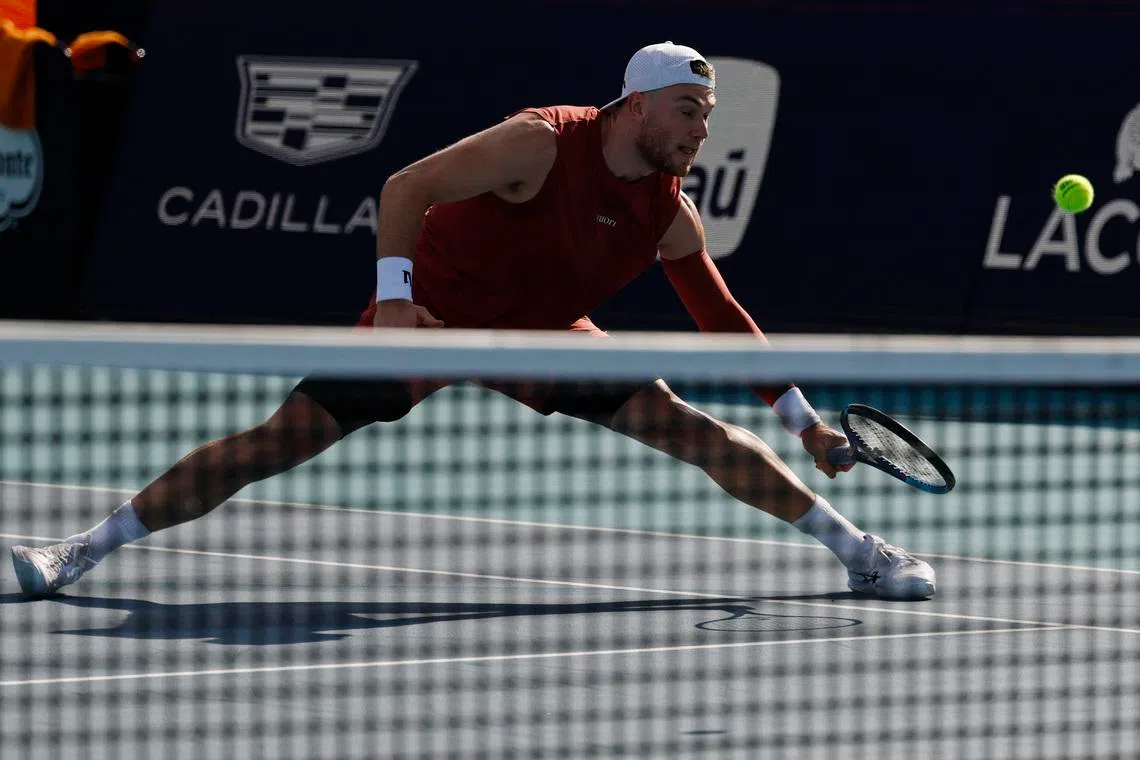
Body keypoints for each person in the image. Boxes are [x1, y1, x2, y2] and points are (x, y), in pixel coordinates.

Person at [10, 42, 935, 601]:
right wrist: (400, 296)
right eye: (689, 111)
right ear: (641, 105)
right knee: (275, 444)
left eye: (708, 115)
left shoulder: (671, 208)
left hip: (542, 333)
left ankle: (858, 552)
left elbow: (721, 319)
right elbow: (405, 185)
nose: (701, 130)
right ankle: (79, 550)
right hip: (437, 315)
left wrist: (806, 422)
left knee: (694, 430)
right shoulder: (540, 142)